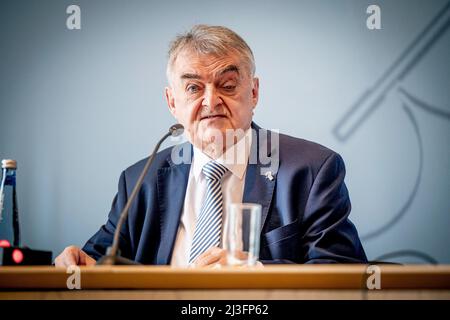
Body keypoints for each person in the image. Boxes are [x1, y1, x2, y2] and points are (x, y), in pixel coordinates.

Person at [55, 25, 367, 267]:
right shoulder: (140, 180)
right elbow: (100, 260)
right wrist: (79, 263)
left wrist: (256, 272)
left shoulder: (312, 170)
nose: (210, 101)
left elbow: (342, 272)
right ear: (172, 101)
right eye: (193, 88)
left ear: (254, 92)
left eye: (227, 85)